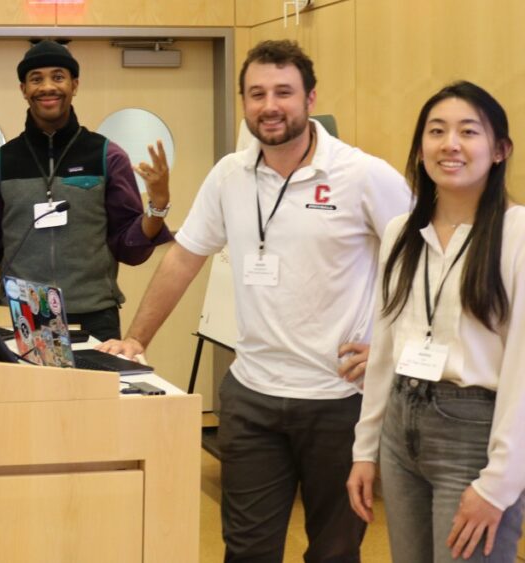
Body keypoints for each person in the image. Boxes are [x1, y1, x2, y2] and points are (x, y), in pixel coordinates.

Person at [98, 40, 412, 561]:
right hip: (251, 398)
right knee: (246, 551)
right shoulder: (229, 175)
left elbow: (421, 264)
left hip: (340, 402)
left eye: (284, 92)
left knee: (334, 552)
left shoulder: (363, 175)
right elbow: (183, 258)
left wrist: (389, 349)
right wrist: (136, 338)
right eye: (257, 93)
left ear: (311, 98)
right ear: (244, 102)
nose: (270, 105)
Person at [347, 81, 524, 562]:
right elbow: (384, 347)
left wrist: (498, 484)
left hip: (474, 433)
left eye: (469, 132)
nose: (450, 144)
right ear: (421, 147)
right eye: (436, 131)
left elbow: (522, 374)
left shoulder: (516, 234)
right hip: (402, 426)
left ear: (500, 149)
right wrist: (366, 449)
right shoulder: (401, 232)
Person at [0, 39, 174, 341]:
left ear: (75, 84)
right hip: (22, 317)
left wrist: (158, 205)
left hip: (95, 319)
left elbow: (131, 249)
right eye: (36, 79)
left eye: (58, 77)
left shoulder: (107, 156)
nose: (47, 87)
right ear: (23, 90)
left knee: (93, 392)